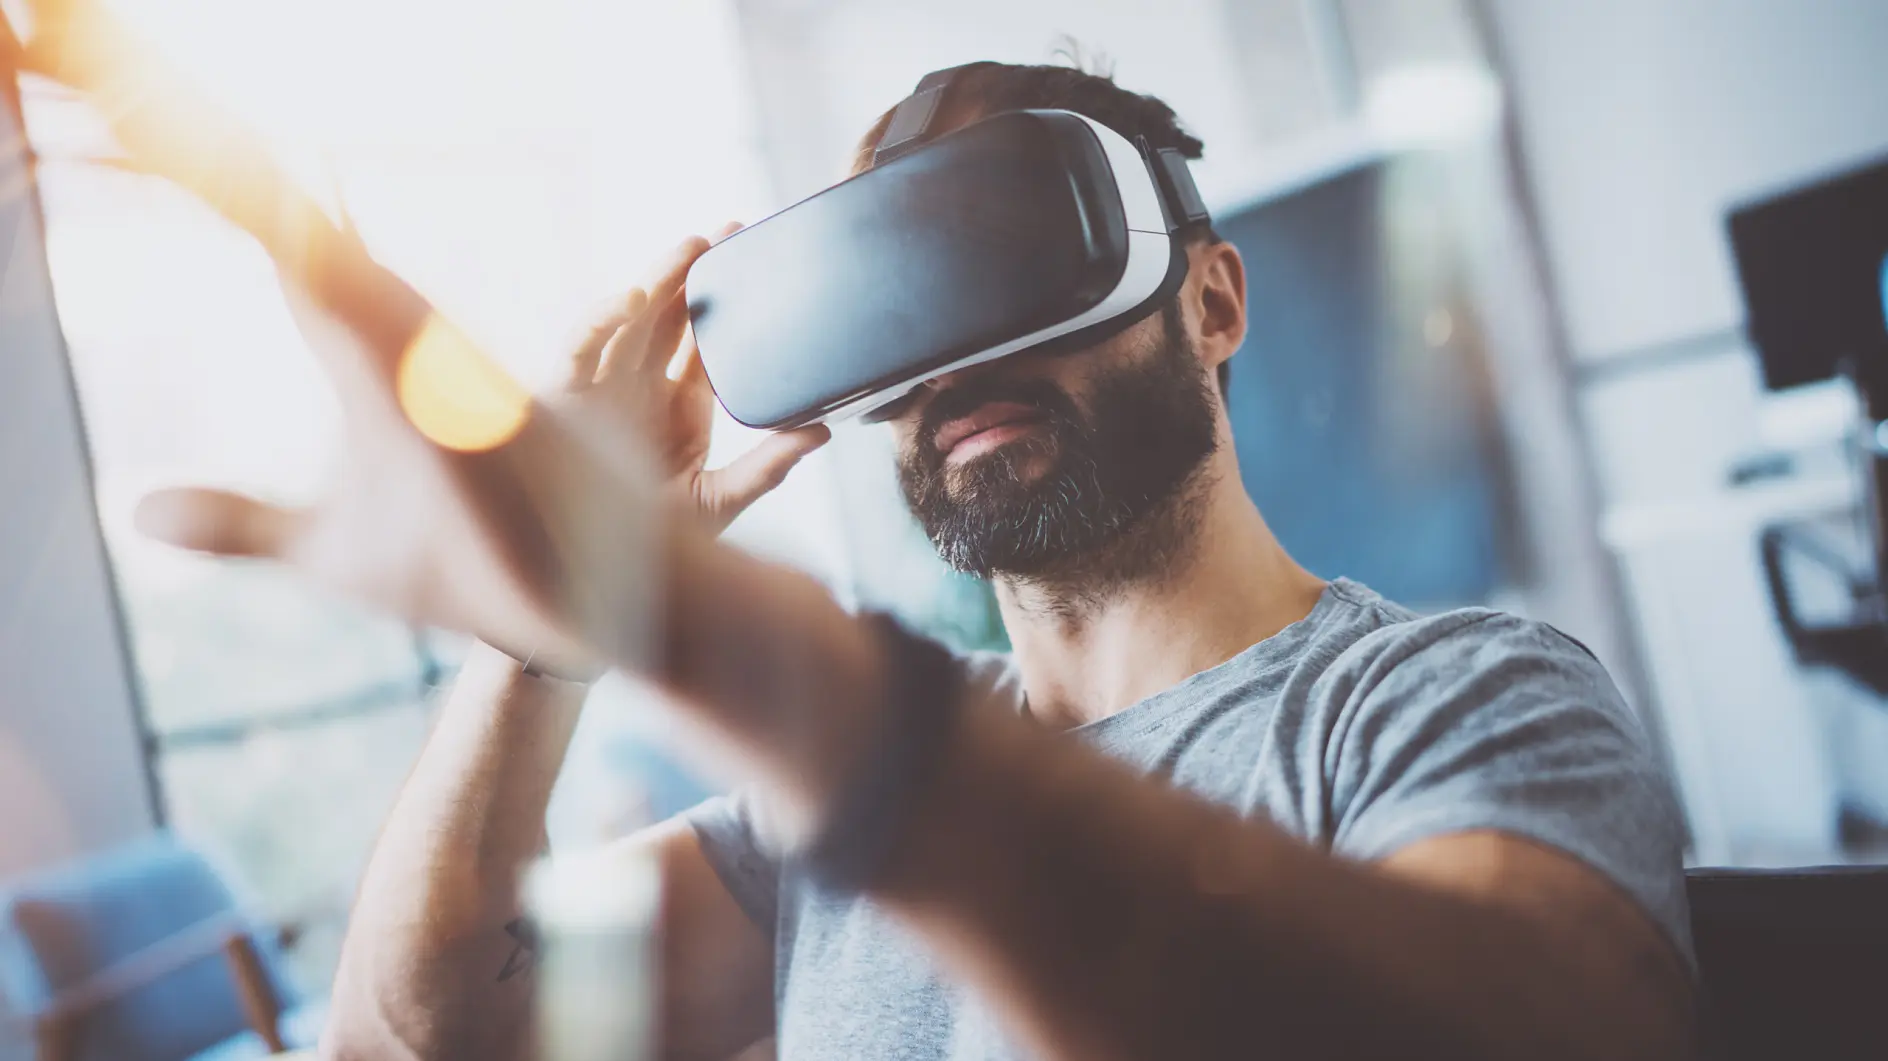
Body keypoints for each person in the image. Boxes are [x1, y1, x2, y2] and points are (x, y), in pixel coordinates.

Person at [113, 53, 1694, 1061]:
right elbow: (423, 1031)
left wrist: (751, 660)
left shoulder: (1444, 703)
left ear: (1210, 303)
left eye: (1011, 263)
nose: (955, 361)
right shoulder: (791, 842)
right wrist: (550, 630)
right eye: (902, 305)